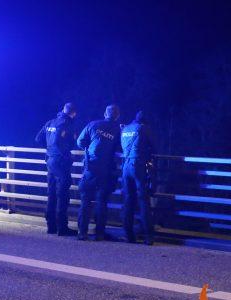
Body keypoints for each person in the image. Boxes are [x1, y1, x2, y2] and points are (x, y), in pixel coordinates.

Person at [76, 104, 121, 241]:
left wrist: (88, 150)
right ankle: (99, 233)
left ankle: (82, 232)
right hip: (106, 170)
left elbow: (80, 141)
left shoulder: (93, 124)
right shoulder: (118, 130)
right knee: (101, 202)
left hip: (90, 168)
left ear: (104, 113)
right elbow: (121, 147)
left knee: (85, 201)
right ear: (117, 116)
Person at [35, 102, 78, 236]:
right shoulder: (68, 124)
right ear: (73, 113)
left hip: (50, 161)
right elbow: (72, 143)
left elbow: (38, 138)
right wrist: (65, 151)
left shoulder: (50, 122)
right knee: (62, 195)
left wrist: (49, 150)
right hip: (61, 162)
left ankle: (51, 226)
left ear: (62, 110)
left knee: (51, 193)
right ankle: (62, 228)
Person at [120, 111, 157, 245]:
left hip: (126, 166)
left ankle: (128, 235)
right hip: (139, 166)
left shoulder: (125, 129)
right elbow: (155, 147)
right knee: (143, 201)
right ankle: (148, 236)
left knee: (128, 201)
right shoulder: (143, 128)